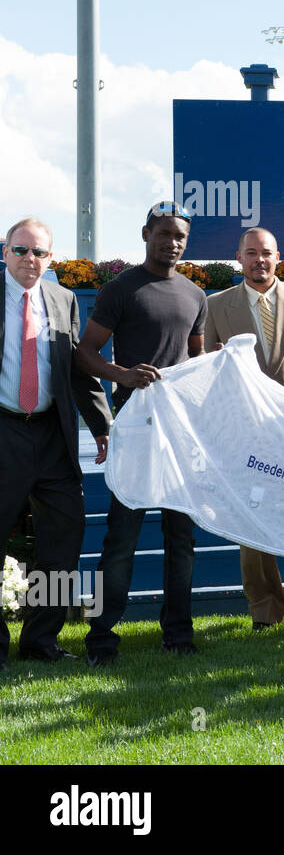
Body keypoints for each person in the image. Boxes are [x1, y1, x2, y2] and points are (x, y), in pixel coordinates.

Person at [76, 202, 208, 665]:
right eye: (164, 233)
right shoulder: (120, 289)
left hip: (178, 435)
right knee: (120, 540)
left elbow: (195, 363)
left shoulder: (195, 295)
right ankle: (101, 639)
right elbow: (84, 354)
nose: (172, 242)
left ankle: (178, 635)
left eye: (180, 237)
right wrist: (122, 375)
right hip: (133, 429)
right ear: (146, 233)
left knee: (181, 539)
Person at [0, 218, 113, 668]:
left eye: (40, 253)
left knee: (64, 538)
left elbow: (76, 370)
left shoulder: (64, 300)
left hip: (52, 434)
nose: (31, 260)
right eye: (21, 250)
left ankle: (40, 642)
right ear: (5, 251)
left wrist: (101, 424)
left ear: (52, 257)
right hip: (3, 428)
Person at [204, 227, 284, 631]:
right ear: (238, 257)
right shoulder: (216, 305)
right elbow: (210, 373)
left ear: (279, 256)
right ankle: (266, 613)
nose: (260, 260)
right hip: (248, 432)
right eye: (251, 252)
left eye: (267, 253)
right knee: (252, 521)